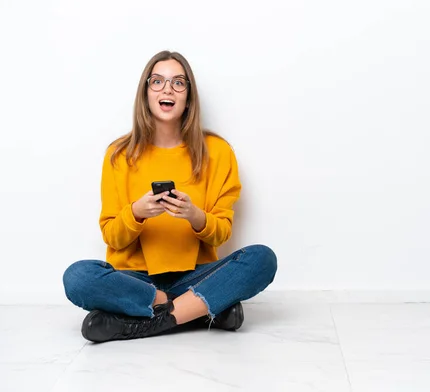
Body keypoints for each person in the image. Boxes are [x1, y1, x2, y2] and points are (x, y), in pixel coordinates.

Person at [62, 51, 277, 343]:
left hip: (195, 274)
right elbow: (112, 237)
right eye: (157, 82)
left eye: (178, 83)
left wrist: (194, 215)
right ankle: (201, 309)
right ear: (146, 93)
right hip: (136, 279)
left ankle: (147, 321)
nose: (167, 89)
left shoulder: (218, 151)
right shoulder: (119, 154)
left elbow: (222, 234)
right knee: (77, 277)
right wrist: (136, 213)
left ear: (189, 97)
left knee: (262, 259)